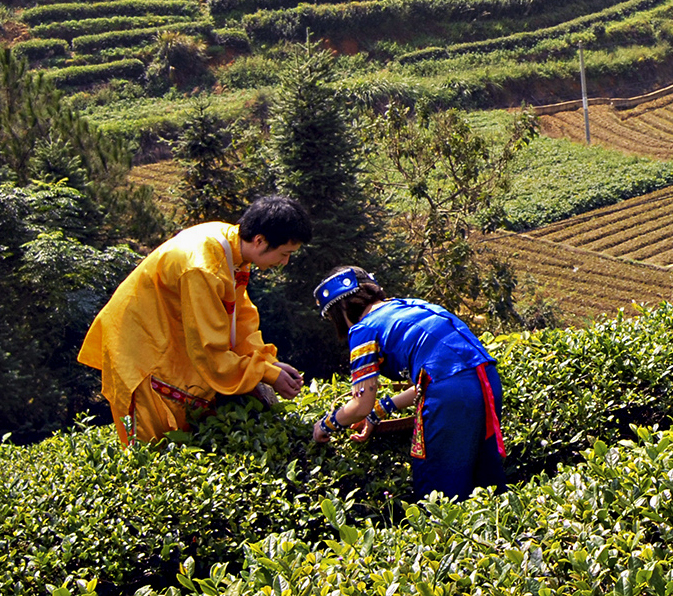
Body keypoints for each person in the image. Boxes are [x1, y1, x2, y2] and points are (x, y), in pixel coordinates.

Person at [78, 195, 311, 445]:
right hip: (140, 351)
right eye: (285, 253)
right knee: (156, 444)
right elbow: (209, 350)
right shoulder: (203, 267)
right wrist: (266, 373)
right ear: (259, 240)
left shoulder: (232, 248)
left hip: (167, 339)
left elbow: (240, 318)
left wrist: (268, 362)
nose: (285, 262)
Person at [310, 266, 507, 501]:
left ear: (341, 309)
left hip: (451, 392)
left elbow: (359, 405)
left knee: (440, 491)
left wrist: (326, 425)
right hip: (486, 380)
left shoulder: (363, 329)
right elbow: (437, 375)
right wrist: (379, 412)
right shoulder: (410, 305)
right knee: (485, 482)